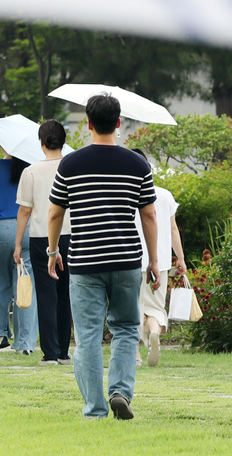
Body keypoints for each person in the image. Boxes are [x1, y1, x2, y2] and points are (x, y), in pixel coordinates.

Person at [47, 94, 159, 420]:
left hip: (85, 262)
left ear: (88, 124)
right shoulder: (137, 164)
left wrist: (53, 251)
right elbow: (149, 215)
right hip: (126, 260)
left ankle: (95, 409)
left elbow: (55, 213)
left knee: (87, 337)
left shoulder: (70, 164)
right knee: (125, 329)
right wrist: (153, 260)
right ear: (119, 123)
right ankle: (120, 392)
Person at [15, 120, 73, 365]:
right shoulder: (73, 167)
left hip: (41, 237)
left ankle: (50, 352)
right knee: (66, 294)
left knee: (46, 295)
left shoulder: (31, 171)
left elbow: (24, 211)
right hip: (72, 235)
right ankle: (64, 351)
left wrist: (18, 244)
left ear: (41, 143)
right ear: (64, 141)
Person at [129, 148, 187, 367]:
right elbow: (173, 229)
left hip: (132, 260)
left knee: (132, 308)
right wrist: (180, 258)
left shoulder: (126, 194)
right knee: (155, 306)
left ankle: (135, 354)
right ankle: (154, 331)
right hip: (159, 262)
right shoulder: (164, 195)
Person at [0, 150, 36, 354]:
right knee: (25, 284)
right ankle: (24, 343)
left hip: (0, 230)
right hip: (27, 229)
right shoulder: (30, 169)